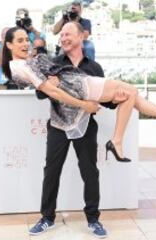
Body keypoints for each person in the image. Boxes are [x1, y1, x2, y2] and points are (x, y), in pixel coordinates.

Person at [2, 23, 156, 163]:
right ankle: (119, 140)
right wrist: (83, 104)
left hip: (78, 83)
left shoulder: (24, 63)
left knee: (130, 94)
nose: (25, 44)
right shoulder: (21, 66)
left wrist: (111, 100)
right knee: (131, 91)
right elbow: (52, 92)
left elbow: (50, 81)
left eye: (26, 39)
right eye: (19, 41)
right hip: (78, 86)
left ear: (82, 37)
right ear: (8, 44)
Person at [29, 24, 119, 237]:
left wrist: (117, 99)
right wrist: (48, 83)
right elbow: (41, 95)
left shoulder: (94, 68)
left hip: (86, 126)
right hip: (58, 125)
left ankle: (93, 220)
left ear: (82, 36)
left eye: (68, 34)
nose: (63, 38)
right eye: (61, 35)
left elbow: (105, 100)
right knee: (51, 171)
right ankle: (47, 218)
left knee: (90, 172)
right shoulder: (53, 64)